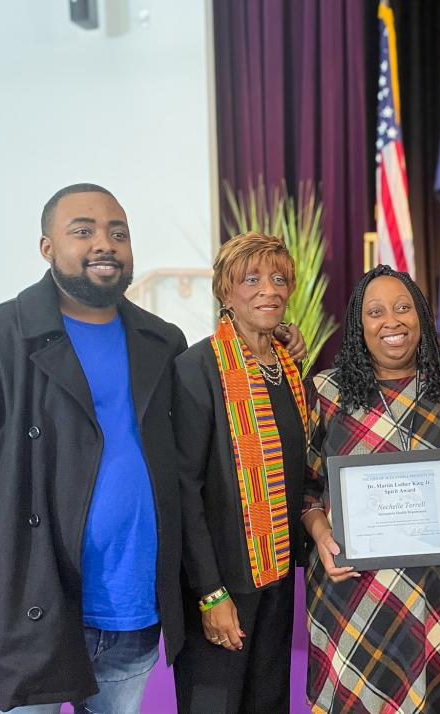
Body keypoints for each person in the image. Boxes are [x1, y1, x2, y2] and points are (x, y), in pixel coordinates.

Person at [0, 183, 187, 712]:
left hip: (133, 613)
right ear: (47, 248)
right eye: (83, 231)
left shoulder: (162, 342)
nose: (105, 243)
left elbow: (188, 467)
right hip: (26, 609)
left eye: (118, 232)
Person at [302, 265, 440, 714]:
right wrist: (320, 534)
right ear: (359, 325)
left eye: (402, 307)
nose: (391, 321)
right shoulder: (325, 392)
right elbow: (304, 488)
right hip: (353, 598)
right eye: (375, 312)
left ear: (421, 317)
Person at [172, 232, 308, 713]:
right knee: (214, 705)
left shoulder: (289, 369)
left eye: (278, 279)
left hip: (276, 578)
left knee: (269, 703)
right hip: (221, 584)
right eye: (251, 280)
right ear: (225, 292)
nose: (268, 290)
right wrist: (210, 593)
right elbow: (184, 489)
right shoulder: (197, 367)